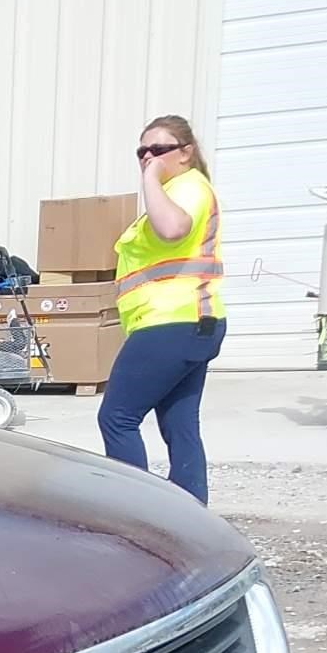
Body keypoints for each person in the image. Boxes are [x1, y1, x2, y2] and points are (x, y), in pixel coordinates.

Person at [97, 115, 226, 504]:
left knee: (117, 418)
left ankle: (135, 515)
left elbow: (171, 230)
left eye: (159, 150)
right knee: (180, 423)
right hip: (191, 324)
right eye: (142, 152)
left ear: (185, 154)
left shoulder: (188, 188)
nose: (149, 157)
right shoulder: (178, 190)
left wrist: (149, 179)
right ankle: (192, 516)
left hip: (171, 324)